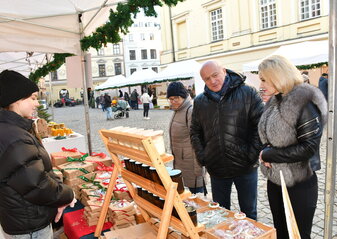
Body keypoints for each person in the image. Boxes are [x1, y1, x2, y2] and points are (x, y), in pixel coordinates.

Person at [0, 70, 76, 238]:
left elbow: (37, 172)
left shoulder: (13, 131)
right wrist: (68, 194)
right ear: (16, 99)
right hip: (30, 226)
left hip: (21, 220)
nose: (37, 104)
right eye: (33, 98)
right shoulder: (15, 138)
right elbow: (37, 186)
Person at [258, 55, 327, 239]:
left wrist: (270, 154)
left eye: (264, 79)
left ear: (277, 76)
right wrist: (265, 151)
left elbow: (309, 147)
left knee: (297, 235)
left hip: (299, 184)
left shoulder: (303, 102)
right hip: (276, 181)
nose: (261, 84)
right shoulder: (275, 101)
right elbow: (268, 134)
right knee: (281, 233)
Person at [190, 61, 263, 220]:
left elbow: (260, 126)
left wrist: (251, 155)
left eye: (215, 75)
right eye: (207, 79)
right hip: (217, 167)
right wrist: (203, 157)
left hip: (245, 167)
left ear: (224, 71)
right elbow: (195, 132)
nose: (212, 81)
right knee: (220, 214)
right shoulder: (200, 101)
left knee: (249, 213)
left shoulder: (248, 93)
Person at [167, 82, 206, 194]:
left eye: (176, 98)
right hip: (180, 162)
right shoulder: (177, 110)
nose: (173, 101)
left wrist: (199, 172)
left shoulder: (190, 111)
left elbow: (198, 140)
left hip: (192, 165)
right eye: (170, 99)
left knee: (196, 197)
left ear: (183, 97)